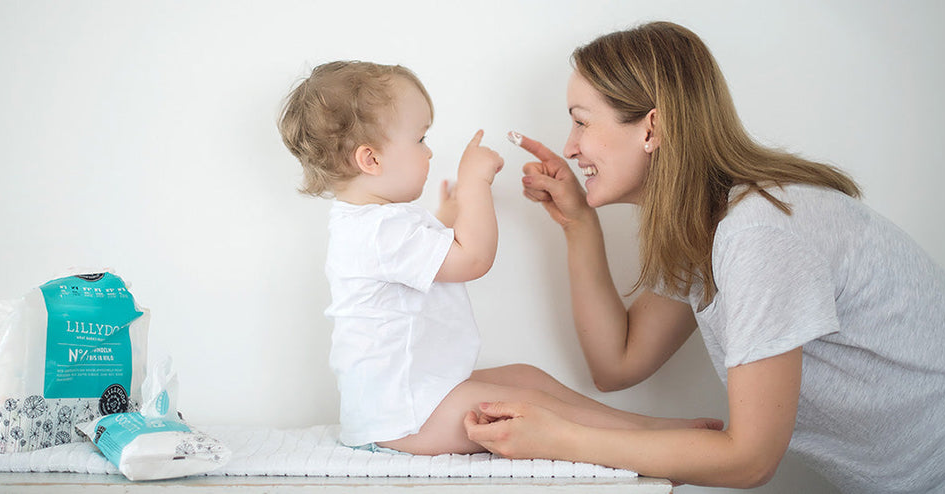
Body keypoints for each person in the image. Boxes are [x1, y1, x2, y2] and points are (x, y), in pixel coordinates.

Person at [463, 22, 945, 493]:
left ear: (651, 127)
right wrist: (579, 224)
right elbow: (618, 363)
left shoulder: (759, 230)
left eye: (582, 120)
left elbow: (749, 461)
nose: (571, 145)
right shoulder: (708, 227)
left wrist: (564, 441)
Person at [277, 61, 721, 456]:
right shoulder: (377, 231)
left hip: (409, 400)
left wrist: (448, 215)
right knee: (529, 407)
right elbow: (473, 260)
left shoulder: (374, 225)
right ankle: (651, 438)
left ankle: (647, 429)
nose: (430, 151)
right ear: (370, 158)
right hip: (404, 416)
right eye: (420, 138)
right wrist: (475, 185)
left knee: (528, 378)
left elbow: (431, 255)